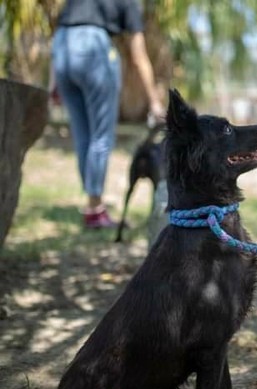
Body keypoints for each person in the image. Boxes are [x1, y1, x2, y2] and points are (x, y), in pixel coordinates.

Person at [50, 0, 165, 228]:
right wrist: (154, 102)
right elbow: (138, 54)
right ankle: (94, 208)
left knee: (83, 135)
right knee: (101, 135)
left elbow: (61, 29)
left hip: (62, 50)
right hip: (93, 50)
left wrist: (53, 81)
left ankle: (93, 200)